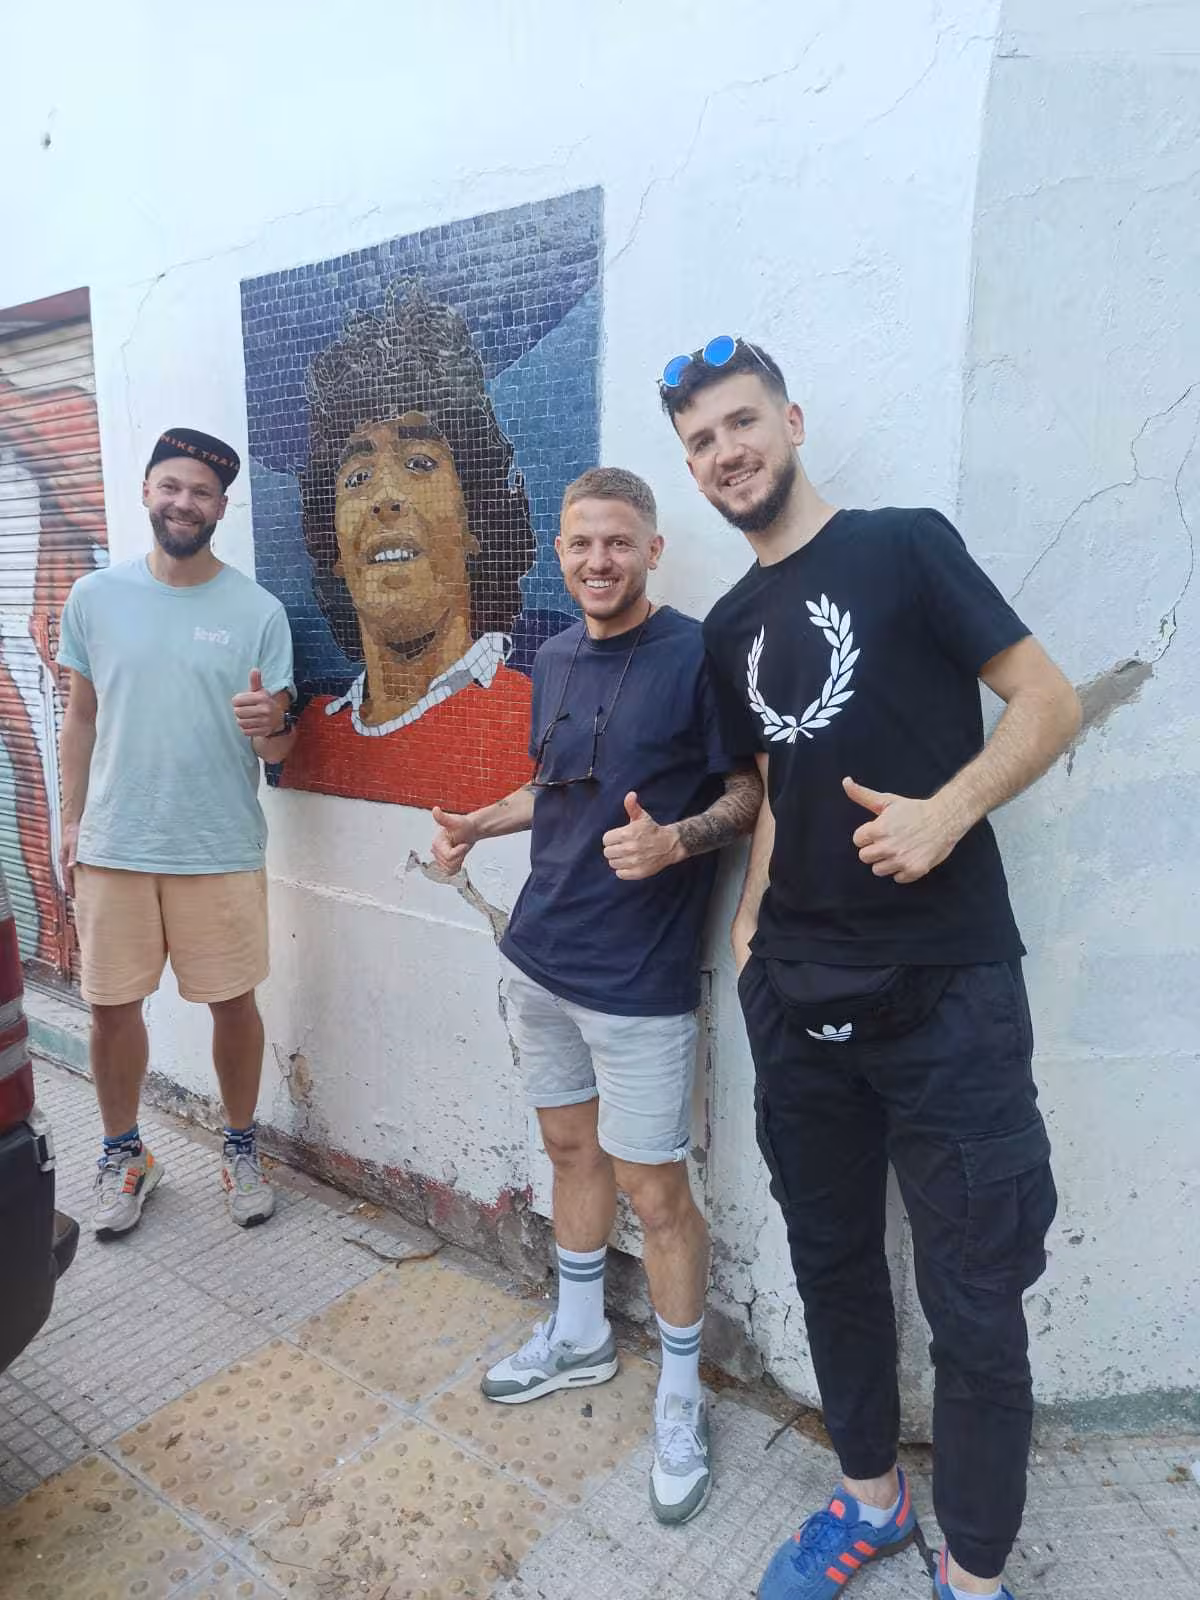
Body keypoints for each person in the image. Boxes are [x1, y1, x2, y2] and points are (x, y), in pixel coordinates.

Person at [660, 338, 1081, 1600]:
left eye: (741, 423)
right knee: (829, 1258)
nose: (726, 452)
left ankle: (977, 1565)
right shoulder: (731, 622)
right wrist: (748, 932)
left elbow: (1046, 700)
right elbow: (779, 779)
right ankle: (870, 1506)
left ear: (790, 420)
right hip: (797, 998)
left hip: (950, 990)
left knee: (976, 1293)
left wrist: (948, 812)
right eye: (701, 442)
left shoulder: (907, 546)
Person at [429, 467, 761, 1525]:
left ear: (653, 549)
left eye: (618, 543)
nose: (598, 562)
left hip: (640, 983)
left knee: (657, 1195)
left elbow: (751, 790)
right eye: (581, 544)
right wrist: (479, 823)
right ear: (560, 553)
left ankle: (677, 1393)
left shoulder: (696, 653)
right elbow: (558, 786)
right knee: (571, 1154)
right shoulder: (556, 654)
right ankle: (577, 1337)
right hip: (542, 960)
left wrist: (678, 839)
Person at [57, 427, 298, 1236]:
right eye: (170, 486)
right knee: (110, 1010)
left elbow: (280, 746)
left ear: (221, 507)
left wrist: (272, 725)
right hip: (115, 844)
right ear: (147, 492)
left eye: (199, 492)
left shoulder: (257, 611)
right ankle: (126, 1153)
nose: (182, 503)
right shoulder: (94, 598)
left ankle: (239, 1147)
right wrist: (69, 819)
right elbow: (81, 716)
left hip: (217, 844)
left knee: (234, 1004)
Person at [282, 280, 542, 813]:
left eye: (420, 463)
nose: (385, 499)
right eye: (356, 477)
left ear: (476, 514)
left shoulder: (538, 716)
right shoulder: (308, 738)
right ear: (332, 544)